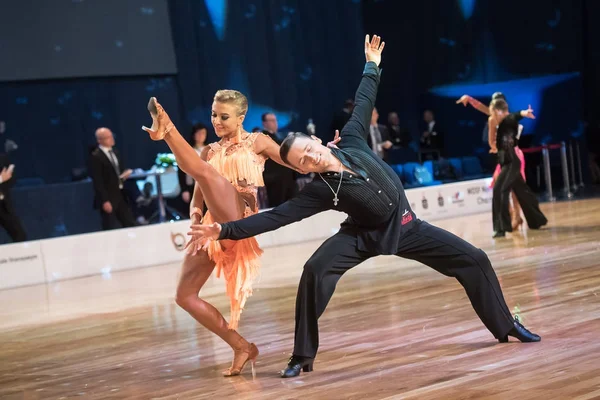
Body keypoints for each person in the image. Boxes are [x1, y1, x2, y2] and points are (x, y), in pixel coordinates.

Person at [188, 35, 541, 379]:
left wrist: (372, 66)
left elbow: (364, 101)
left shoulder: (354, 138)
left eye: (310, 151)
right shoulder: (320, 190)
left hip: (407, 229)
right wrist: (223, 229)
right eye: (304, 162)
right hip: (360, 237)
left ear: (317, 142)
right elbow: (277, 218)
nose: (311, 159)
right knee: (315, 271)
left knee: (475, 258)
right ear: (304, 169)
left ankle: (506, 325)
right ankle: (302, 356)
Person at [141, 88, 298, 377]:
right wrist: (195, 216)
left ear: (241, 118)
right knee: (184, 296)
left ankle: (167, 128)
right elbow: (198, 196)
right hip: (213, 229)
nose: (216, 121)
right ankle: (241, 346)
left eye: (224, 116)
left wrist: (322, 155)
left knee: (205, 172)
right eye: (214, 115)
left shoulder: (258, 141)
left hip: (239, 222)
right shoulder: (209, 152)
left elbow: (291, 160)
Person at [456, 93, 525, 230]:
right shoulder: (494, 115)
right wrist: (469, 99)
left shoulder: (509, 118)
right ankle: (513, 215)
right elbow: (481, 107)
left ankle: (516, 215)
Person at [489, 99, 547, 237]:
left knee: (500, 189)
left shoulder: (508, 120)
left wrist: (524, 113)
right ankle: (537, 220)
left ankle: (501, 228)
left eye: (493, 112)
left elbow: (514, 116)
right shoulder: (501, 123)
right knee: (522, 191)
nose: (492, 115)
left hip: (511, 162)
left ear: (498, 111)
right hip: (505, 161)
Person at [89, 127, 136, 230]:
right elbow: (98, 181)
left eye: (111, 136)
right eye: (107, 137)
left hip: (120, 193)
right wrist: (105, 200)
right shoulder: (96, 156)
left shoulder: (115, 152)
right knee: (109, 226)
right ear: (99, 141)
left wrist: (124, 175)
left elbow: (118, 172)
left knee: (129, 223)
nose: (111, 139)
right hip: (109, 197)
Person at [0, 156, 26, 242]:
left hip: (4, 206)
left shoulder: (2, 158)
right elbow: (2, 178)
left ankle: (23, 255)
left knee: (20, 235)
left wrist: (6, 177)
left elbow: (11, 179)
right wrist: (1, 179)